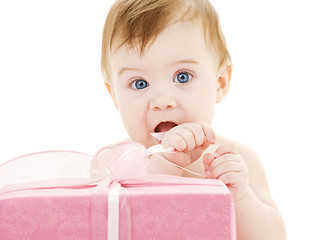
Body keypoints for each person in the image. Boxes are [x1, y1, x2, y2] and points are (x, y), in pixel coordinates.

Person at [98, 0, 286, 239]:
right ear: (114, 95)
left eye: (183, 77)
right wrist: (164, 165)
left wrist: (240, 197)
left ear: (220, 83)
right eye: (140, 83)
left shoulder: (236, 159)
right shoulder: (112, 163)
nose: (162, 100)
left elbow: (274, 235)